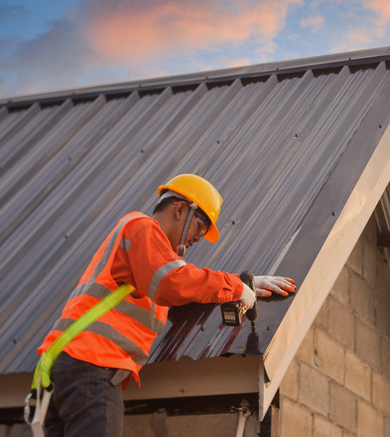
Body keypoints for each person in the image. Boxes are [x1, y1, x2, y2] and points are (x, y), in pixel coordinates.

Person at [36, 174, 295, 436]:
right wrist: (235, 286)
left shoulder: (145, 260)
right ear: (181, 209)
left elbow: (181, 286)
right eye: (201, 226)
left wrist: (239, 285)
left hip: (71, 367)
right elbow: (174, 282)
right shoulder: (142, 227)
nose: (199, 237)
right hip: (93, 364)